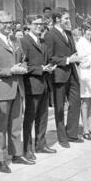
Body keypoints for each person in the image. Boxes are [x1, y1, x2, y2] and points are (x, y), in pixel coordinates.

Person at [0, 11, 34, 173]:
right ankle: (0, 159)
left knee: (15, 124)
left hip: (17, 88)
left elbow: (23, 59)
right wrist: (10, 70)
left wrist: (23, 67)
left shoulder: (15, 40)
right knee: (0, 126)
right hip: (2, 89)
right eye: (4, 23)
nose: (8, 25)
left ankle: (17, 154)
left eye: (10, 22)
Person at [44, 7, 83, 148]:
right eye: (66, 18)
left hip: (72, 73)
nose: (68, 21)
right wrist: (67, 60)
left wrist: (77, 58)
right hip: (59, 75)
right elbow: (50, 57)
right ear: (57, 19)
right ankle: (62, 137)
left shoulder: (68, 33)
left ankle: (72, 133)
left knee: (76, 102)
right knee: (59, 107)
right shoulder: (50, 35)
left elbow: (73, 51)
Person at [21, 18, 57, 161]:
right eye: (35, 24)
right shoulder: (24, 42)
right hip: (32, 84)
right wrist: (40, 69)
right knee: (29, 119)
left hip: (44, 84)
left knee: (43, 117)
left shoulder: (43, 42)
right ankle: (27, 148)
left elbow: (48, 59)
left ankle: (41, 144)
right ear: (29, 25)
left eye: (41, 25)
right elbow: (23, 65)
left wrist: (50, 66)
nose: (38, 27)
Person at [76, 22, 91, 141]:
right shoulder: (80, 43)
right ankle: (85, 129)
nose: (90, 32)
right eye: (88, 30)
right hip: (85, 75)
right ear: (83, 30)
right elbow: (81, 60)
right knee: (85, 102)